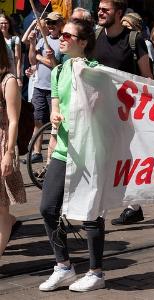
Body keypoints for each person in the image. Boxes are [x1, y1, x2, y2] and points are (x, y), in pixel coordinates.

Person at [38, 18, 105, 292]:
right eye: (61, 34)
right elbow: (57, 106)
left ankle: (96, 272)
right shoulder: (58, 71)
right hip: (64, 149)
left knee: (91, 211)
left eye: (68, 35)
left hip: (89, 150)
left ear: (83, 42)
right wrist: (54, 129)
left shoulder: (96, 71)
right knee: (48, 208)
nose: (61, 38)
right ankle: (63, 266)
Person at [93, 0, 152, 226]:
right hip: (100, 112)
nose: (100, 12)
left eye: (105, 10)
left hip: (128, 114)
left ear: (118, 13)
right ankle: (101, 209)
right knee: (101, 160)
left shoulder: (134, 40)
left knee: (127, 160)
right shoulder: (96, 37)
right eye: (99, 8)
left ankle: (133, 205)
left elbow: (147, 79)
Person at [0, 31, 26, 259]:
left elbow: (14, 120)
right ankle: (10, 223)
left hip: (2, 143)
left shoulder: (8, 81)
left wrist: (9, 153)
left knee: (1, 207)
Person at [27, 12, 63, 164]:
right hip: (40, 86)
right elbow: (31, 59)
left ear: (61, 24)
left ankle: (54, 154)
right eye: (48, 23)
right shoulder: (43, 40)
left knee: (55, 122)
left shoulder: (63, 41)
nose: (50, 26)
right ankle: (37, 153)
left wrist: (40, 57)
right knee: (37, 120)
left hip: (54, 89)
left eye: (53, 23)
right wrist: (33, 44)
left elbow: (55, 65)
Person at [0, 14, 22, 87]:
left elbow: (18, 59)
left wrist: (18, 77)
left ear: (9, 24)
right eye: (1, 23)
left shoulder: (15, 39)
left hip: (11, 75)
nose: (4, 25)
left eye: (6, 23)